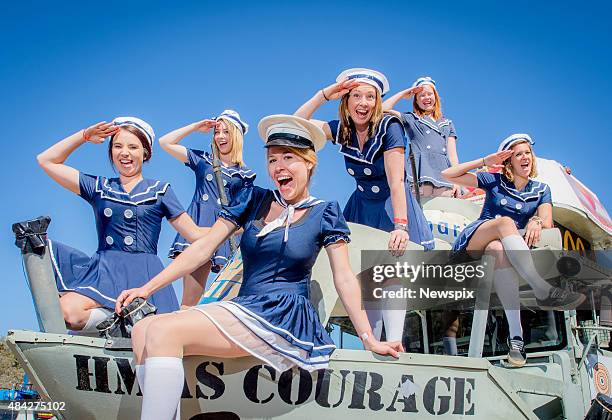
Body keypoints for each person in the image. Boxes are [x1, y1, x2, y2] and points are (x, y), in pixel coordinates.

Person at [115, 115, 404, 420]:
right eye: (272, 159)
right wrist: (146, 289)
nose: (279, 166)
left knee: (161, 329)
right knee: (143, 329)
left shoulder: (324, 212)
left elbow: (343, 277)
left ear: (309, 163)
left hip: (283, 313)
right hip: (246, 305)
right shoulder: (253, 199)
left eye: (289, 158)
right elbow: (202, 248)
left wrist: (369, 337)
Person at [294, 68, 434, 343]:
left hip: (391, 205)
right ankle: (375, 342)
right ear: (346, 101)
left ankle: (395, 342)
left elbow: (397, 182)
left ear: (377, 101)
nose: (363, 103)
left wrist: (401, 226)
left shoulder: (389, 127)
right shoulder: (341, 130)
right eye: (356, 95)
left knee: (392, 272)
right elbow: (296, 123)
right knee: (368, 279)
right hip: (361, 207)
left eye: (370, 96)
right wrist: (324, 94)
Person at [36, 117, 206, 333]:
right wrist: (84, 136)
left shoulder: (160, 191)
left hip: (146, 273)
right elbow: (46, 160)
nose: (124, 152)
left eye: (133, 147)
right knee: (68, 312)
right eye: (118, 146)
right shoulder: (98, 187)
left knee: (161, 333)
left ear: (146, 153)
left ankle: (131, 321)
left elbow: (194, 234)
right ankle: (120, 321)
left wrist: (233, 225)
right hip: (105, 272)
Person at [442, 133, 585, 366]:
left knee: (498, 249)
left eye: (527, 152)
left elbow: (547, 221)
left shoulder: (541, 189)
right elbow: (447, 175)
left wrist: (536, 221)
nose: (525, 157)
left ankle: (516, 341)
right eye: (518, 154)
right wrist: (485, 161)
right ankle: (541, 288)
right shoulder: (495, 181)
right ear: (508, 161)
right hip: (471, 247)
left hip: (499, 250)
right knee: (505, 224)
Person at [160, 110, 255, 307]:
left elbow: (247, 217)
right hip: (198, 231)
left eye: (226, 132)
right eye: (217, 132)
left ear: (236, 135)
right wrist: (196, 126)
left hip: (225, 235)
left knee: (228, 299)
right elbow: (165, 142)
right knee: (190, 300)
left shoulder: (245, 175)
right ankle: (184, 335)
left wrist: (229, 232)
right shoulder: (204, 160)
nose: (220, 136)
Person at [383, 76, 460, 197]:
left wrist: (458, 180)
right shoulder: (411, 118)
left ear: (435, 96)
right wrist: (404, 94)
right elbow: (383, 109)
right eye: (421, 95)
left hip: (445, 176)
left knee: (445, 213)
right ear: (416, 101)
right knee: (421, 213)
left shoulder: (447, 123)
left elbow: (453, 155)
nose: (426, 98)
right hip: (421, 175)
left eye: (429, 94)